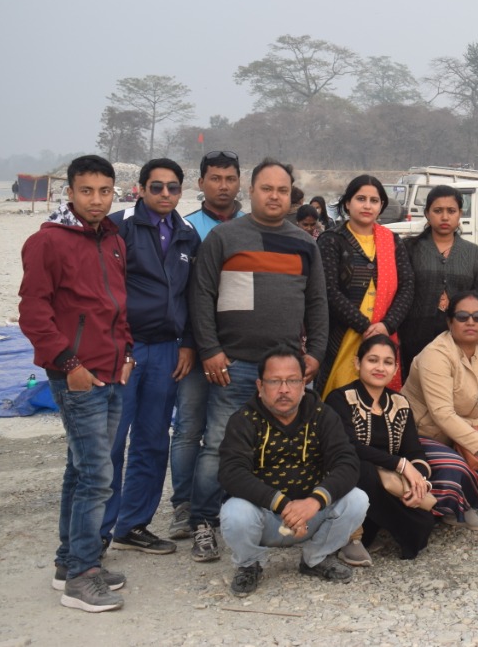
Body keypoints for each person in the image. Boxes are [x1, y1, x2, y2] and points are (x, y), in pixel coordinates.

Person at [186, 158, 329, 563]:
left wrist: (315, 353)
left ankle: (280, 518)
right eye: (267, 189)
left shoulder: (305, 243)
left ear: (291, 194)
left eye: (282, 190)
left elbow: (317, 303)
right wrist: (210, 350)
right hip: (234, 365)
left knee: (290, 446)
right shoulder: (225, 238)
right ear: (251, 191)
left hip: (286, 371)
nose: (274, 196)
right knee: (217, 444)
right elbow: (201, 297)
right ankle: (203, 522)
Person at [20, 155, 134, 612]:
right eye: (87, 191)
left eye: (104, 191)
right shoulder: (46, 242)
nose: (97, 200)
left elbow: (117, 306)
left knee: (82, 466)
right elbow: (34, 313)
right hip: (76, 374)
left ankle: (70, 561)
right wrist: (69, 364)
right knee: (96, 475)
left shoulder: (112, 239)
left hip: (111, 370)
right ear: (69, 192)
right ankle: (83, 578)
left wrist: (127, 353)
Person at [102, 158, 200, 557]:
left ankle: (133, 525)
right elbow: (102, 289)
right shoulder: (118, 226)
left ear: (181, 191)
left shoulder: (187, 235)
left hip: (166, 351)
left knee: (153, 439)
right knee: (110, 441)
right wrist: (114, 344)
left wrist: (189, 343)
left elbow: (195, 297)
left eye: (172, 188)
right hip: (122, 349)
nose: (164, 194)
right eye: (156, 187)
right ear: (140, 188)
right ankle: (97, 533)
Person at [217, 347, 367, 598]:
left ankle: (314, 560)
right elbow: (231, 472)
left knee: (357, 499)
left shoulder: (322, 415)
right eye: (274, 381)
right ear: (260, 385)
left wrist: (314, 501)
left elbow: (348, 462)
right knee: (234, 512)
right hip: (264, 516)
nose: (284, 389)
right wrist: (283, 504)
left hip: (311, 516)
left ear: (303, 383)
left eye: (292, 380)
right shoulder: (244, 419)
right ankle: (249, 564)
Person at [171, 150, 244, 541]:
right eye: (214, 178)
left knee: (232, 430)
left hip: (237, 347)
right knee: (189, 426)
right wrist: (194, 343)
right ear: (200, 183)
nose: (222, 186)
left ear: (239, 182)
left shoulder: (253, 227)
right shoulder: (185, 228)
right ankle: (184, 506)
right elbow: (183, 293)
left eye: (229, 178)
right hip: (195, 346)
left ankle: (229, 499)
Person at [401, 291, 478, 529]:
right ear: (449, 321)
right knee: (459, 464)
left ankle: (473, 502)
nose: (471, 322)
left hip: (464, 428)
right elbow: (442, 414)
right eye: (462, 316)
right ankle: (454, 509)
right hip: (422, 433)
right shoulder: (436, 355)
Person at [324, 335, 436, 562]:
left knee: (422, 527)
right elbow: (349, 446)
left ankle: (377, 527)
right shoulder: (339, 399)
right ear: (357, 363)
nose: (379, 367)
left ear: (395, 369)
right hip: (349, 479)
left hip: (387, 483)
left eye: (387, 362)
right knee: (362, 468)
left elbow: (414, 451)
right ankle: (354, 536)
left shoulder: (400, 403)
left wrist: (418, 480)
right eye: (372, 360)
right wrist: (400, 464)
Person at [317, 174, 414, 395]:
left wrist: (386, 326)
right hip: (343, 334)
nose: (367, 205)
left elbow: (407, 286)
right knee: (338, 395)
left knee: (377, 399)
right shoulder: (331, 240)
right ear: (347, 203)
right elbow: (329, 290)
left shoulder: (392, 241)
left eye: (374, 200)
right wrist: (365, 327)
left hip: (384, 335)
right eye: (361, 199)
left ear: (381, 206)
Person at [398, 185, 478, 377]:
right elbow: (400, 291)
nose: (445, 217)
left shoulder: (474, 253)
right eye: (438, 211)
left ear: (460, 214)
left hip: (459, 335)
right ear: (427, 214)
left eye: (451, 211)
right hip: (414, 334)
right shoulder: (409, 248)